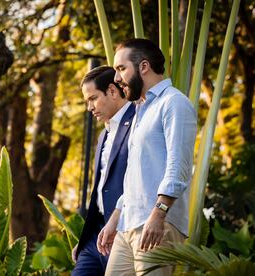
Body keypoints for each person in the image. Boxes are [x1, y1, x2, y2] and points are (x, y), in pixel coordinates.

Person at [97, 39, 197, 276]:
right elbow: (135, 175)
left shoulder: (174, 103)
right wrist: (115, 220)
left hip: (157, 224)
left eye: (121, 69)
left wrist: (159, 213)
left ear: (143, 66)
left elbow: (179, 166)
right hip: (128, 224)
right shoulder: (142, 109)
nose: (117, 78)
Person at [72, 65, 135, 275]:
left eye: (93, 98)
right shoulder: (103, 135)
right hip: (95, 236)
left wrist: (115, 223)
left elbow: (140, 180)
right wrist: (86, 239)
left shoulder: (139, 122)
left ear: (112, 90)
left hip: (124, 231)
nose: (89, 107)